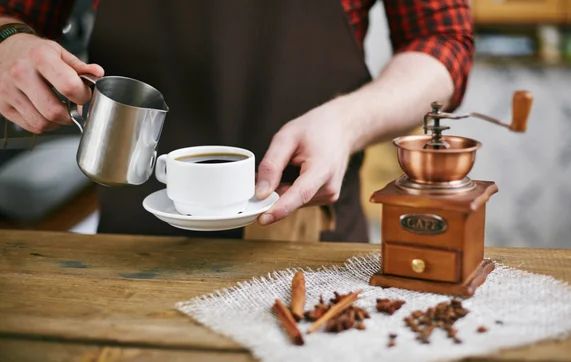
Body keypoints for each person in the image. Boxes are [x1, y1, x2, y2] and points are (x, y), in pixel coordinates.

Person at [0, 0, 474, 243]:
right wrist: (10, 42)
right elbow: (13, 15)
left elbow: (443, 39)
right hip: (132, 246)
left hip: (305, 239)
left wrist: (348, 122)